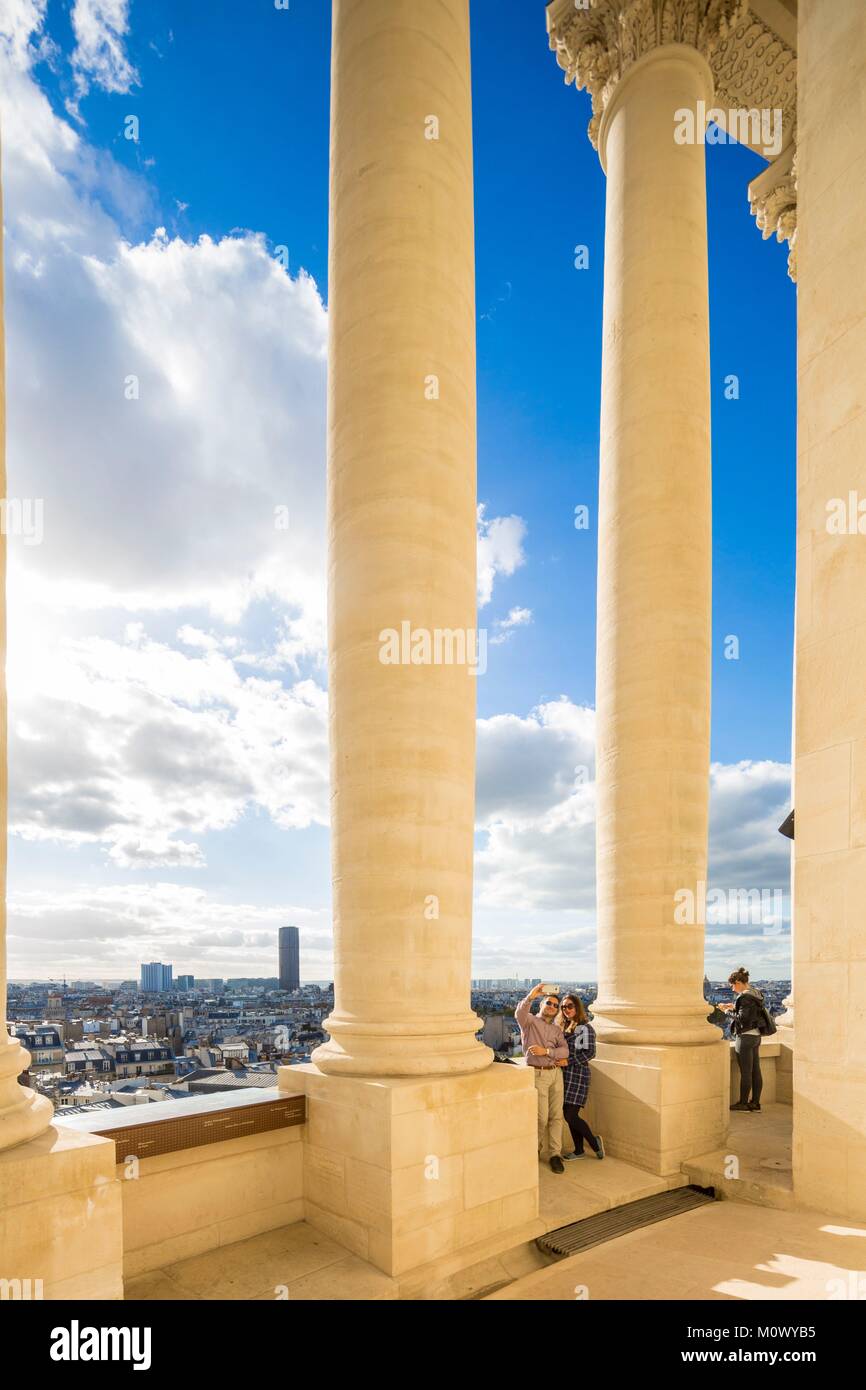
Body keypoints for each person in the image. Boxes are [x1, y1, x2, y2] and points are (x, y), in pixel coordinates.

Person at [515, 983, 568, 1173]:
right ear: (541, 1005)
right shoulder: (529, 1022)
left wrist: (546, 1051)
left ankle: (555, 1154)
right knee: (541, 1118)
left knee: (556, 1116)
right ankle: (534, 1151)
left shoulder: (556, 1030)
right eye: (549, 1003)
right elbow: (519, 1014)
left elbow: (565, 1050)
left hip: (555, 1074)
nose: (552, 1007)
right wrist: (531, 995)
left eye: (555, 1005)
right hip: (538, 1073)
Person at [556, 994, 604, 1160]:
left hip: (577, 1076)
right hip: (564, 1076)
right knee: (568, 1115)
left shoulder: (584, 1028)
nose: (566, 1009)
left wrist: (567, 1062)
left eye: (570, 1006)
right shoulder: (563, 1027)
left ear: (577, 1008)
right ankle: (578, 1150)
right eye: (563, 1007)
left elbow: (590, 1053)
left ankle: (594, 1143)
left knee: (571, 1115)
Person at [719, 966, 768, 1111]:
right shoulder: (755, 993)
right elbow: (750, 1013)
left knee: (746, 1072)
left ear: (739, 982)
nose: (733, 989)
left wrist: (726, 1010)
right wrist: (734, 1006)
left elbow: (743, 1019)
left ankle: (743, 1103)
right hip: (756, 1036)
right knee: (756, 1071)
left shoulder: (745, 996)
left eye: (732, 986)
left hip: (745, 1036)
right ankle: (755, 1103)